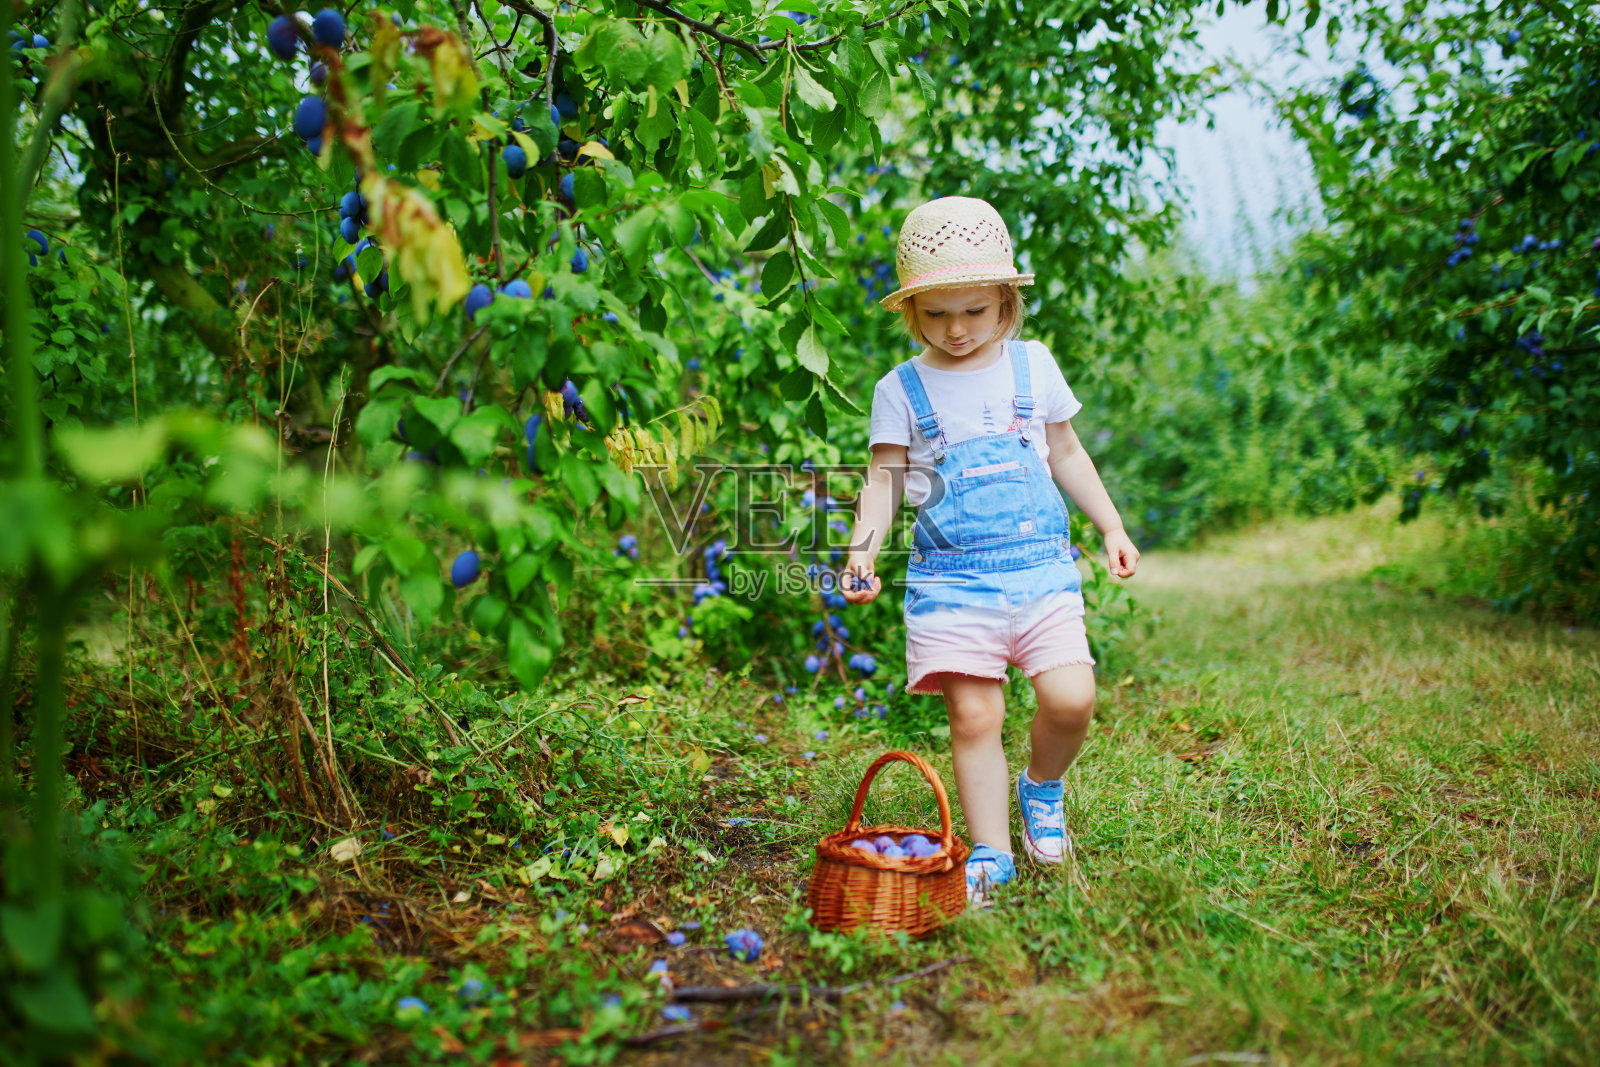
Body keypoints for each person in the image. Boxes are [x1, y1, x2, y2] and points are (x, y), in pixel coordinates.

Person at [840, 196, 1139, 904]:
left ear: (1005, 303)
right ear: (912, 311)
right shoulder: (901, 389)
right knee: (975, 716)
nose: (957, 329)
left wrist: (1111, 525)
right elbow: (883, 479)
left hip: (1041, 574)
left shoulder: (1033, 368)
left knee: (1072, 698)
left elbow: (1066, 453)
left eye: (974, 311)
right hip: (952, 584)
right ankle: (991, 848)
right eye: (937, 314)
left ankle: (1041, 784)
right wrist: (861, 553)